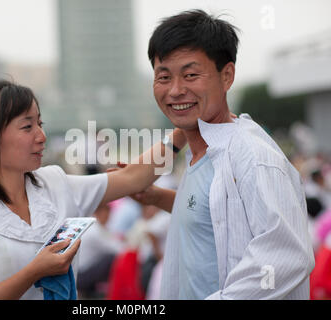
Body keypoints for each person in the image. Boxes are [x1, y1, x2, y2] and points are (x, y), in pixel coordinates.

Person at [0, 80, 186, 300]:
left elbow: (134, 177)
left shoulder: (55, 183)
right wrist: (34, 271)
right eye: (27, 127)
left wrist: (184, 129)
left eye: (40, 123)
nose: (41, 136)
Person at [134, 10, 314, 299]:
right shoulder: (203, 153)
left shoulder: (252, 157)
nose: (176, 90)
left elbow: (285, 256)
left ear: (226, 75)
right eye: (163, 76)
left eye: (191, 75)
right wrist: (156, 197)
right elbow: (214, 213)